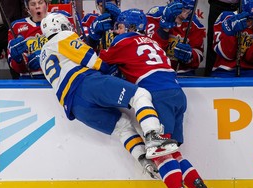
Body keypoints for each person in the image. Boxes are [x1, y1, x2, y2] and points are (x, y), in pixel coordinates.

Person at [99, 9, 219, 188]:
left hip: (158, 96)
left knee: (159, 152)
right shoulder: (152, 41)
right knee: (172, 152)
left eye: (118, 26)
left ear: (129, 27)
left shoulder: (123, 41)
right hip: (176, 94)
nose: (116, 31)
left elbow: (100, 64)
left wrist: (94, 38)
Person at [39, 13, 179, 177]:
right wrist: (109, 67)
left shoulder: (43, 54)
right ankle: (153, 136)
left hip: (76, 108)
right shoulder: (63, 36)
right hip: (87, 85)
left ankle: (144, 161)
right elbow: (95, 62)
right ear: (61, 27)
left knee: (122, 126)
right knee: (140, 95)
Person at [211, 0, 253, 77]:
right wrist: (231, 34)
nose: (251, 23)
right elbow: (227, 55)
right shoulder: (226, 18)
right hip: (224, 70)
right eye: (248, 19)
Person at [146, 0, 206, 76]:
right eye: (183, 10)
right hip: (157, 71)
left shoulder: (195, 24)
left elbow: (199, 55)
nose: (184, 16)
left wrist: (190, 56)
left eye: (188, 11)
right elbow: (150, 51)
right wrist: (164, 28)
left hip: (184, 73)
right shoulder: (155, 16)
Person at [7, 0, 49, 79]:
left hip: (57, 78)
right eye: (33, 4)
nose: (37, 6)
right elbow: (16, 67)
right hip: (29, 80)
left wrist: (47, 57)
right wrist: (18, 60)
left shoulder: (60, 19)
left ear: (47, 5)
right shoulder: (16, 26)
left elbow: (72, 53)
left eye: (40, 3)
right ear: (27, 8)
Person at [0, 0, 25, 79]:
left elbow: (23, 5)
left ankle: (19, 86)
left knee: (14, 58)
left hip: (11, 28)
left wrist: (22, 23)